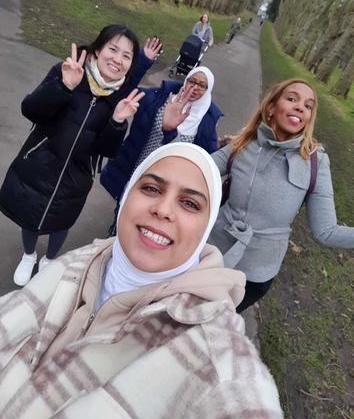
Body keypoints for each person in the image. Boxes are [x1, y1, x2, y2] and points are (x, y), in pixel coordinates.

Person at [0, 143, 283, 418]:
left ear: (206, 227)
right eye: (151, 188)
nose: (163, 209)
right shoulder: (83, 259)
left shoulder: (214, 352)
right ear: (127, 196)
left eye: (189, 203)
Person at [0, 24, 161, 287]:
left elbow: (108, 150)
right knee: (28, 216)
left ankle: (50, 261)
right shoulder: (68, 72)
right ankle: (29, 255)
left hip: (76, 177)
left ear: (130, 64)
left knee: (61, 224)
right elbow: (31, 110)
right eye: (113, 49)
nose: (117, 59)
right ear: (98, 49)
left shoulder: (121, 98)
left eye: (126, 56)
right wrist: (63, 86)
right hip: (38, 163)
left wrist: (118, 121)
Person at [208, 78, 354, 312]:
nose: (300, 107)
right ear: (271, 108)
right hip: (210, 252)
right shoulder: (244, 141)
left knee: (207, 333)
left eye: (308, 105)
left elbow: (326, 232)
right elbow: (201, 170)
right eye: (292, 98)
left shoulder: (316, 162)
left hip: (253, 276)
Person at [100, 66, 223, 237]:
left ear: (208, 89)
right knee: (126, 210)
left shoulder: (207, 119)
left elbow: (209, 159)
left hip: (170, 184)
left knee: (151, 221)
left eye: (202, 85)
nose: (194, 88)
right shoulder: (159, 98)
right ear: (186, 80)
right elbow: (125, 91)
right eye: (192, 81)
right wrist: (143, 61)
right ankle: (114, 240)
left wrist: (226, 149)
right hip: (139, 168)